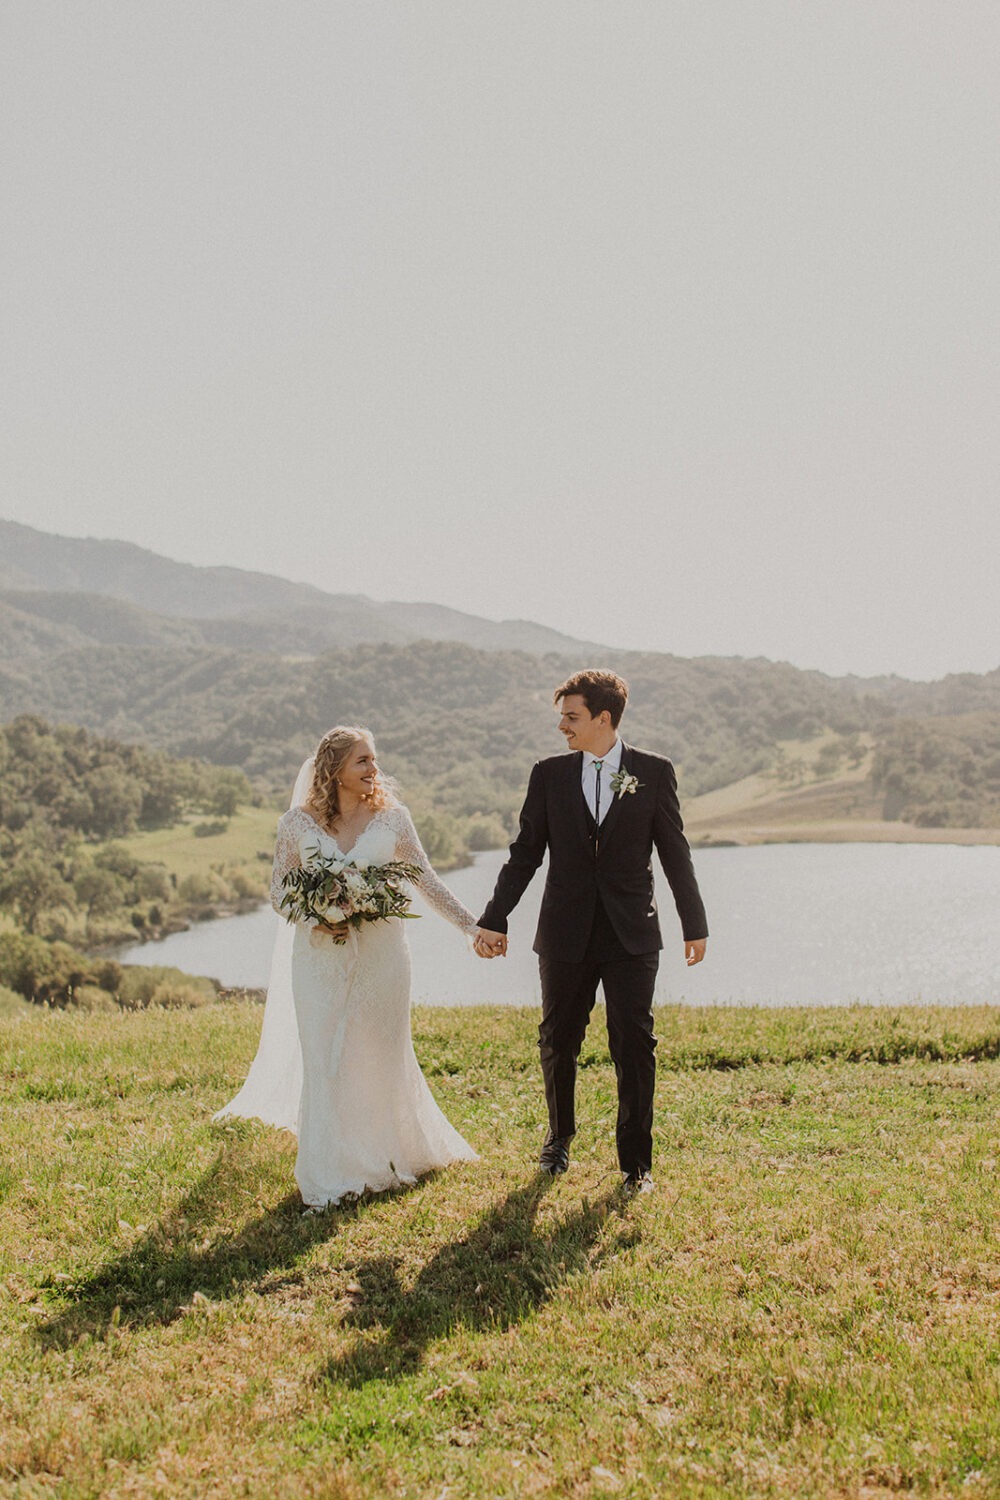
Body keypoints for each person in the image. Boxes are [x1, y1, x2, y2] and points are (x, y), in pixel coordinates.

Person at [216, 726, 480, 1210]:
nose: (373, 770)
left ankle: (388, 1154)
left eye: (373, 760)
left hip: (383, 958)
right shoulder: (296, 824)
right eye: (363, 761)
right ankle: (331, 1171)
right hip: (319, 958)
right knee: (325, 1060)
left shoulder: (394, 821)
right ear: (335, 769)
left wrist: (472, 927)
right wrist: (316, 917)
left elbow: (427, 881)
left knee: (379, 1053)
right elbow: (277, 891)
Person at [474, 669, 708, 1194]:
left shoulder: (653, 771)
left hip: (632, 935)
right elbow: (525, 854)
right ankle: (559, 1140)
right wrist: (495, 915)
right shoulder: (549, 774)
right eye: (562, 716)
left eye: (571, 716)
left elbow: (675, 852)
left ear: (604, 718)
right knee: (558, 1039)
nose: (562, 726)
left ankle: (636, 1165)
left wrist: (695, 924)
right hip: (564, 932)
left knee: (634, 1044)